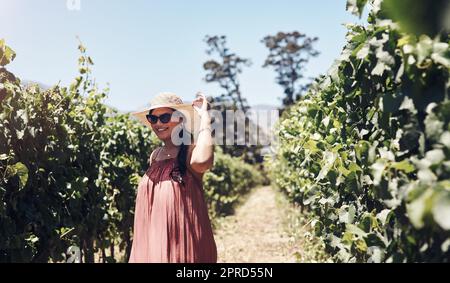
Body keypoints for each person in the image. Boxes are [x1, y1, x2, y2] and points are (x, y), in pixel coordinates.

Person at [128, 92, 217, 263]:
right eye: (153, 119)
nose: (158, 123)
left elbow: (204, 161)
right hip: (152, 246)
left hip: (184, 248)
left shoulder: (190, 151)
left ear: (180, 119)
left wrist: (205, 117)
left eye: (165, 117)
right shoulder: (155, 156)